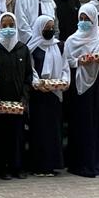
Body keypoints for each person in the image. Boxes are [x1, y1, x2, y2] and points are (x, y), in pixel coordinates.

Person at [63, 4, 99, 178]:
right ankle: (79, 162)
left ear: (94, 20)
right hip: (78, 86)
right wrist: (80, 61)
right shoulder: (71, 40)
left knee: (94, 122)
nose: (83, 22)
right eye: (81, 19)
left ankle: (95, 162)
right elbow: (67, 61)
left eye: (87, 19)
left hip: (96, 85)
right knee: (80, 122)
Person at [0, 12, 32, 180]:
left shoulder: (23, 49)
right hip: (0, 101)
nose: (8, 29)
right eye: (4, 26)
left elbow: (28, 75)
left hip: (18, 101)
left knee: (18, 135)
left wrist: (24, 98)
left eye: (11, 25)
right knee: (1, 135)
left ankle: (18, 166)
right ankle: (2, 168)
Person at [27, 15, 69, 176]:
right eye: (46, 28)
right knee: (39, 130)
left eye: (52, 27)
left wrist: (64, 81)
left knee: (53, 129)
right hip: (39, 94)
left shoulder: (59, 46)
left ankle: (52, 164)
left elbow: (65, 67)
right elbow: (30, 69)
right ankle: (38, 166)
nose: (50, 30)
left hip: (55, 94)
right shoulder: (32, 47)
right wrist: (38, 83)